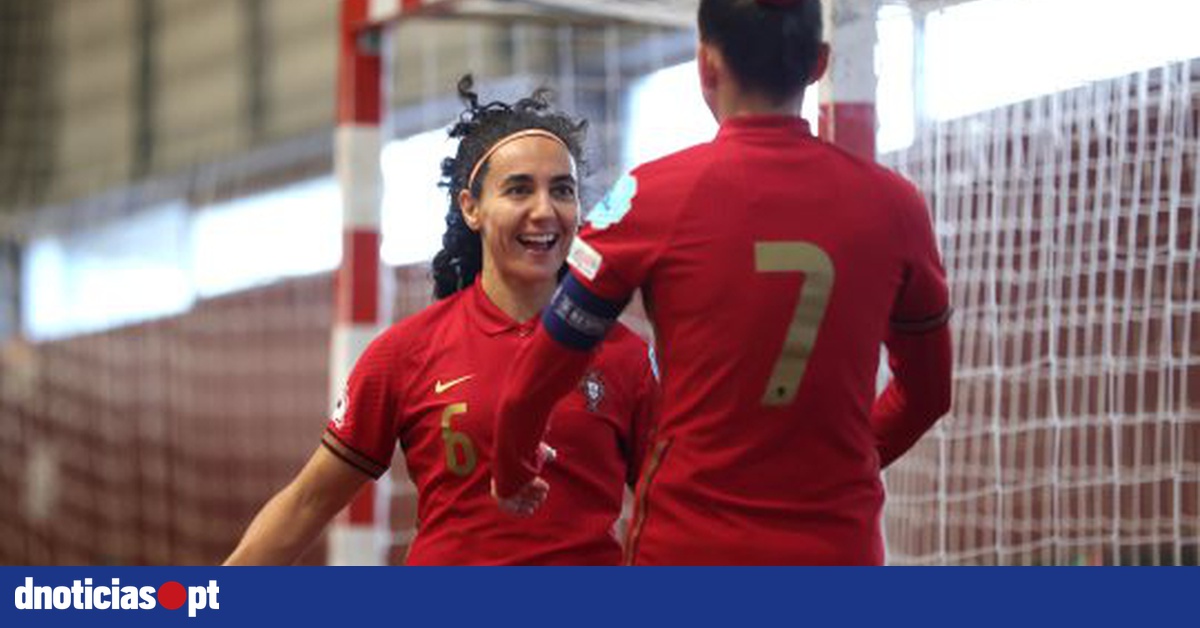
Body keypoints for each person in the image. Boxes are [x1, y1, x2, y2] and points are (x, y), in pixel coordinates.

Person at [492, 0, 952, 565]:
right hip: (838, 548)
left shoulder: (648, 197)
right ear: (820, 63)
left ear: (706, 64)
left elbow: (545, 363)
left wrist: (512, 463)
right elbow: (929, 394)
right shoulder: (897, 206)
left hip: (691, 548)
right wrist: (845, 466)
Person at [224, 76, 657, 565]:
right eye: (518, 190)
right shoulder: (405, 353)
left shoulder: (626, 355)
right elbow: (309, 501)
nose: (545, 211)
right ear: (471, 208)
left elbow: (669, 505)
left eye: (562, 190)